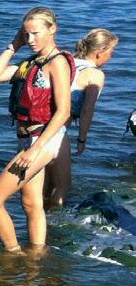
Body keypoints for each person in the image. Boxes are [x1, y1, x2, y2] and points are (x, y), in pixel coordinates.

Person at [0, 6, 73, 252]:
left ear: (52, 29)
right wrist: (14, 45)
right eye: (26, 34)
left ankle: (13, 256)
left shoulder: (58, 63)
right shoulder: (30, 63)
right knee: (32, 205)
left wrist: (36, 149)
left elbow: (64, 111)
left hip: (42, 140)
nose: (30, 40)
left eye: (35, 33)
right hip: (26, 139)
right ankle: (36, 257)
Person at [42, 28, 119, 210]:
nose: (112, 56)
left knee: (46, 181)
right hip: (57, 131)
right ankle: (54, 222)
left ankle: (40, 217)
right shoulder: (95, 74)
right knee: (63, 185)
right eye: (111, 51)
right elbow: (87, 110)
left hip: (40, 124)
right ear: (99, 52)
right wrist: (82, 139)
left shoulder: (67, 62)